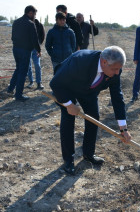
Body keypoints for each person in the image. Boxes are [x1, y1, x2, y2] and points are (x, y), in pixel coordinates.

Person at [49, 46, 132, 175]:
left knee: (94, 117)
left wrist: (123, 128)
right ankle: (68, 161)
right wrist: (69, 104)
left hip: (89, 90)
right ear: (104, 62)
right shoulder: (80, 61)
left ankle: (88, 154)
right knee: (68, 118)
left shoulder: (115, 69)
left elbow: (117, 97)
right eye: (115, 69)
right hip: (67, 87)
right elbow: (55, 83)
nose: (117, 73)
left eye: (119, 69)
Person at [7, 5, 41, 101]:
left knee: (18, 69)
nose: (34, 16)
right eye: (34, 14)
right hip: (25, 51)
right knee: (23, 72)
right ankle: (19, 95)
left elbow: (12, 37)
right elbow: (35, 39)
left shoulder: (16, 22)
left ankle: (10, 88)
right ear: (30, 13)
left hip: (16, 49)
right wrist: (38, 50)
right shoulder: (30, 23)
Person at [26, 18, 45, 90]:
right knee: (28, 66)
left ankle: (39, 82)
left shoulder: (39, 25)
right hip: (27, 48)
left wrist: (38, 45)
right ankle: (31, 81)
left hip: (36, 48)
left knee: (37, 65)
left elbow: (42, 36)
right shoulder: (26, 25)